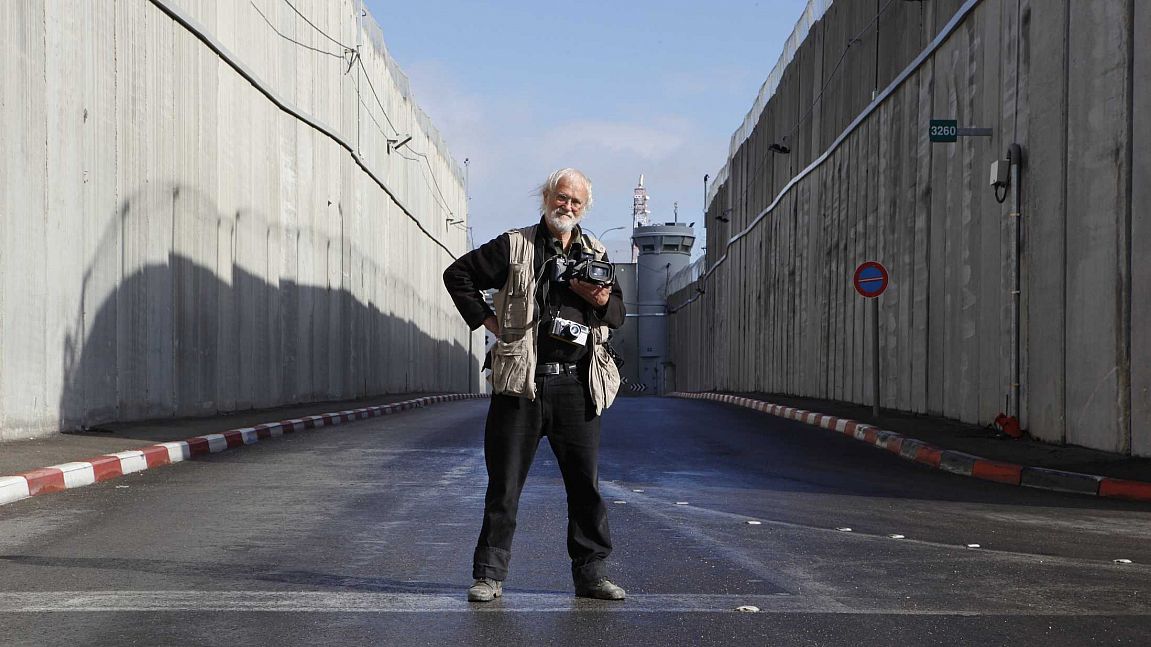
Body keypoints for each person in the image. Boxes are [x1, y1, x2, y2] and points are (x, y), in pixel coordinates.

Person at [442, 167, 625, 602]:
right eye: (561, 197)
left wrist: (601, 300)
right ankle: (489, 576)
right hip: (520, 383)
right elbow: (457, 275)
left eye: (576, 201)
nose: (567, 206)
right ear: (546, 197)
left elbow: (618, 314)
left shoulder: (596, 253)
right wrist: (490, 322)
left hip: (577, 385)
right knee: (504, 485)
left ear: (584, 208)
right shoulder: (515, 245)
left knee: (585, 487)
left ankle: (591, 575)